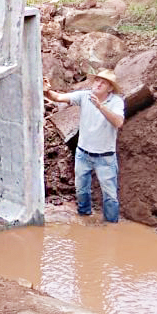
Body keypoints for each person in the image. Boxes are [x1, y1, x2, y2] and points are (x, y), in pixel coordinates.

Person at [44, 70, 125, 223]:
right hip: (83, 155)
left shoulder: (116, 102)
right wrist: (47, 90)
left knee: (110, 196)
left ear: (110, 88)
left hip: (105, 158)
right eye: (97, 80)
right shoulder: (85, 95)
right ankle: (84, 219)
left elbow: (118, 122)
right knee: (81, 191)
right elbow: (58, 98)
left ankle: (111, 227)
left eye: (104, 82)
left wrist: (100, 107)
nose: (99, 84)